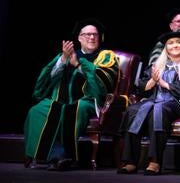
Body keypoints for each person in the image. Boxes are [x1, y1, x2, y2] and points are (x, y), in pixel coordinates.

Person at [24, 18, 119, 170]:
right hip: (61, 100)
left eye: (95, 34)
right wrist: (63, 59)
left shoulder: (105, 56)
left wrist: (78, 65)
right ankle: (39, 156)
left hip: (88, 100)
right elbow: (50, 77)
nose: (92, 37)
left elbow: (102, 81)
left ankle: (65, 157)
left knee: (73, 109)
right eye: (87, 34)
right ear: (79, 38)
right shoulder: (68, 54)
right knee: (37, 110)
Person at [117, 31, 180, 175]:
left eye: (178, 42)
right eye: (170, 43)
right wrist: (152, 81)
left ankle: (154, 161)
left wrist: (165, 84)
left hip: (179, 104)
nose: (175, 45)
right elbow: (140, 88)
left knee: (160, 109)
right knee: (133, 110)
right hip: (155, 100)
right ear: (165, 48)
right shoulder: (157, 66)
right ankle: (131, 161)